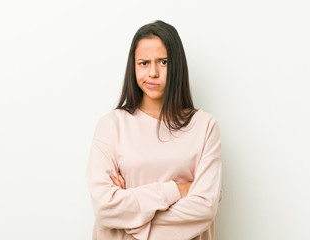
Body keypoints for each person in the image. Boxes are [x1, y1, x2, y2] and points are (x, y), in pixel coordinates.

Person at [86, 20, 222, 240]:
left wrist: (128, 212)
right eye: (143, 63)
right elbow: (104, 208)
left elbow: (204, 210)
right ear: (134, 67)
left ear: (177, 65)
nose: (153, 73)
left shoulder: (204, 126)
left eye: (163, 62)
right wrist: (178, 191)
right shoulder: (111, 126)